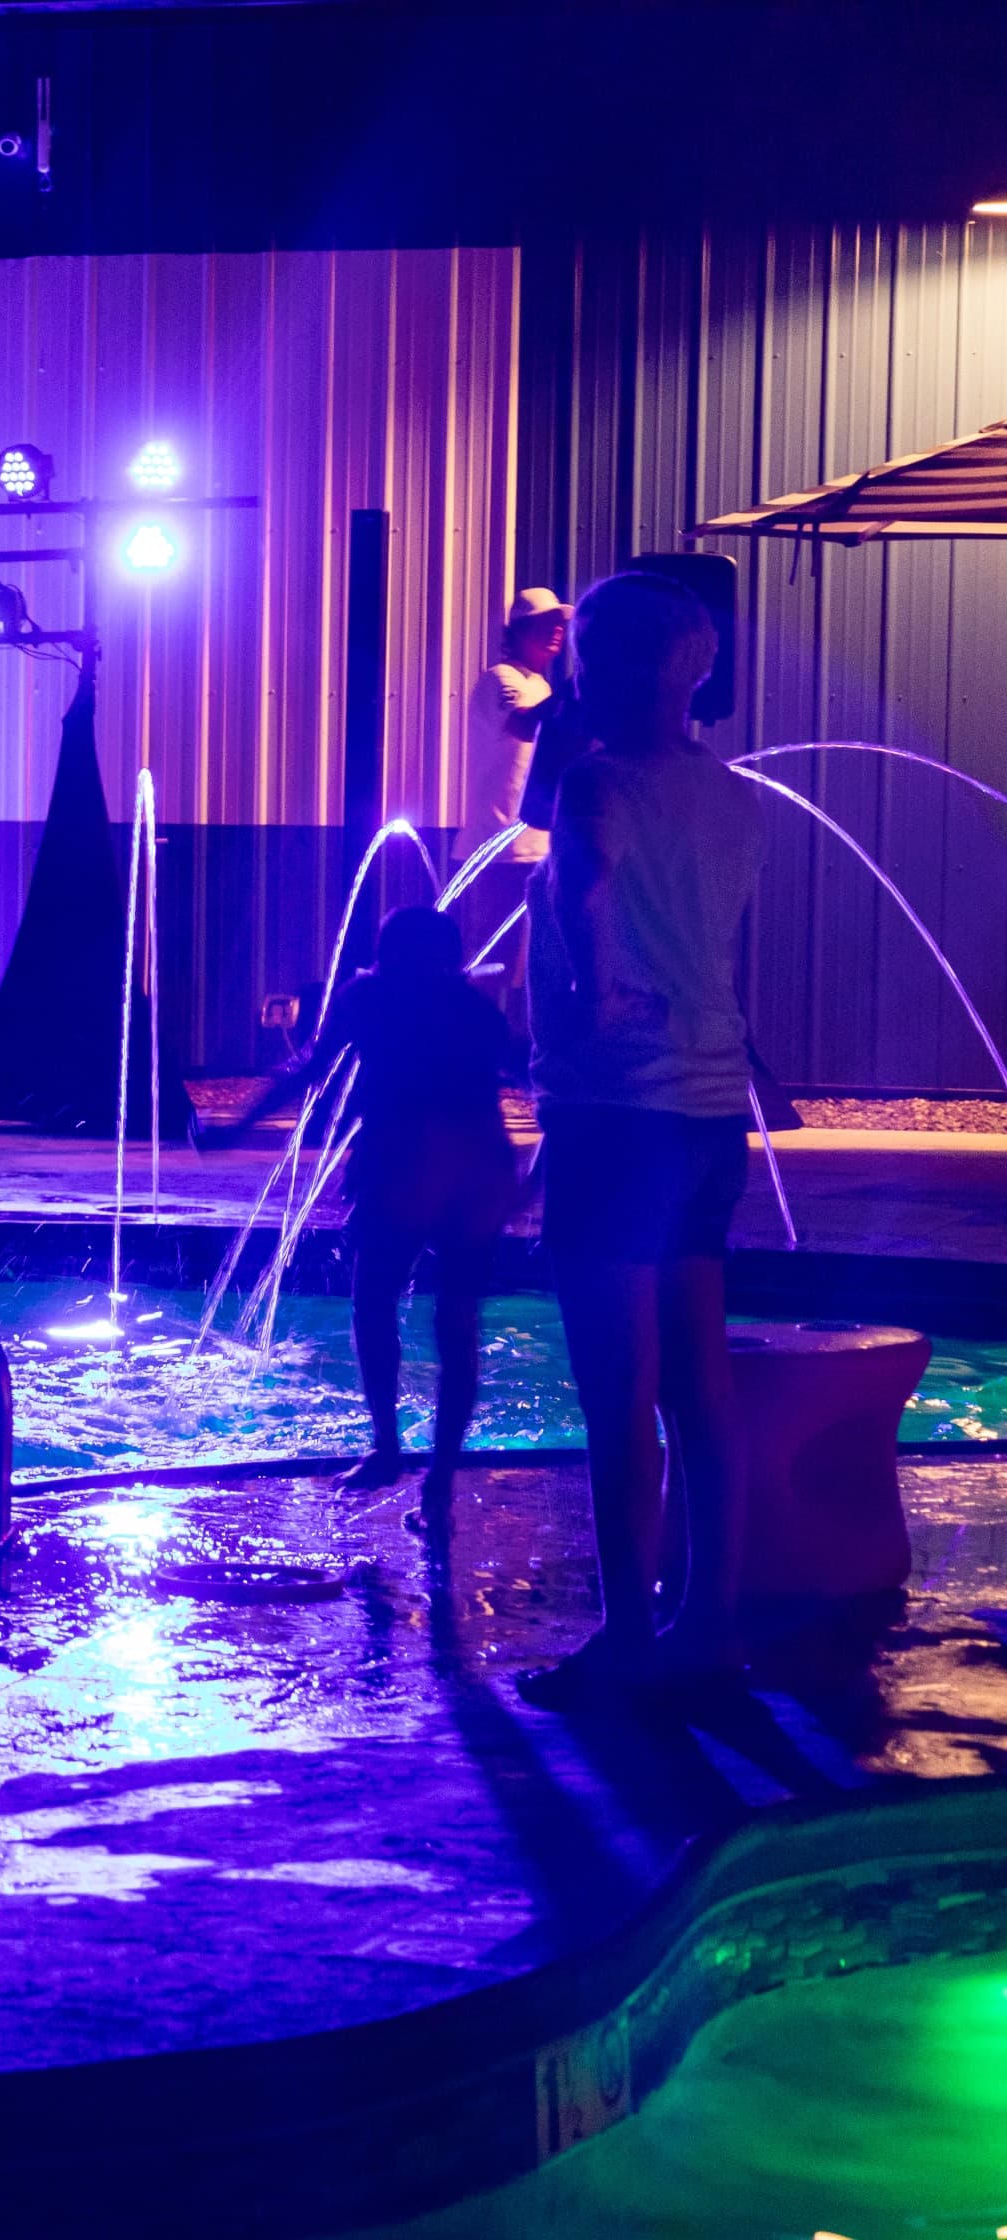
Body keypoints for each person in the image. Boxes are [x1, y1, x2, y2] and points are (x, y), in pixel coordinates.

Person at [518, 570, 765, 1712]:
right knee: (700, 1386)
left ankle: (626, 1633)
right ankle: (706, 1619)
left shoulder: (593, 779)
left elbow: (585, 894)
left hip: (615, 1111)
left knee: (619, 1394)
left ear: (600, 665)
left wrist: (601, 991)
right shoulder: (735, 794)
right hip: (713, 1112)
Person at [205, 905, 520, 1528]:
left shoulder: (370, 997)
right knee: (457, 1324)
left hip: (402, 1163)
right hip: (476, 1167)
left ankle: (386, 1447)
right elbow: (536, 1074)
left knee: (373, 1302)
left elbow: (311, 1070)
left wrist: (237, 1124)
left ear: (386, 954)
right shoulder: (473, 1008)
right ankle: (442, 1478)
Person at [460, 587, 569, 1029]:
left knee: (537, 960)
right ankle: (472, 1051)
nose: (557, 633)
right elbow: (526, 725)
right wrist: (584, 687)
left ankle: (517, 1054)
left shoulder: (541, 686)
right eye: (546, 625)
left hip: (539, 848)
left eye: (560, 625)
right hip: (499, 847)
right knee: (494, 962)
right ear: (520, 631)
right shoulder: (499, 679)